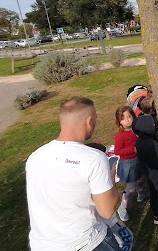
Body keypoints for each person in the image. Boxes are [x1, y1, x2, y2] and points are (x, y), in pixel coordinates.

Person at [26, 97, 122, 251]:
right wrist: (112, 184)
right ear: (89, 121)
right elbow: (106, 210)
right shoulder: (94, 158)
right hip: (86, 243)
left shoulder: (35, 157)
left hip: (42, 245)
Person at [133, 114, 158, 225]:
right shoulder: (151, 143)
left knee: (154, 192)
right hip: (157, 173)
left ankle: (157, 213)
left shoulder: (140, 141)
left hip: (148, 171)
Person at [114, 106, 149, 222]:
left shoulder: (136, 129)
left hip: (138, 161)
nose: (128, 120)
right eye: (123, 118)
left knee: (140, 178)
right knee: (131, 187)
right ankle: (122, 207)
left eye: (129, 117)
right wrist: (132, 149)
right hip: (129, 164)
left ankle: (141, 193)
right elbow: (117, 151)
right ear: (119, 122)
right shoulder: (120, 136)